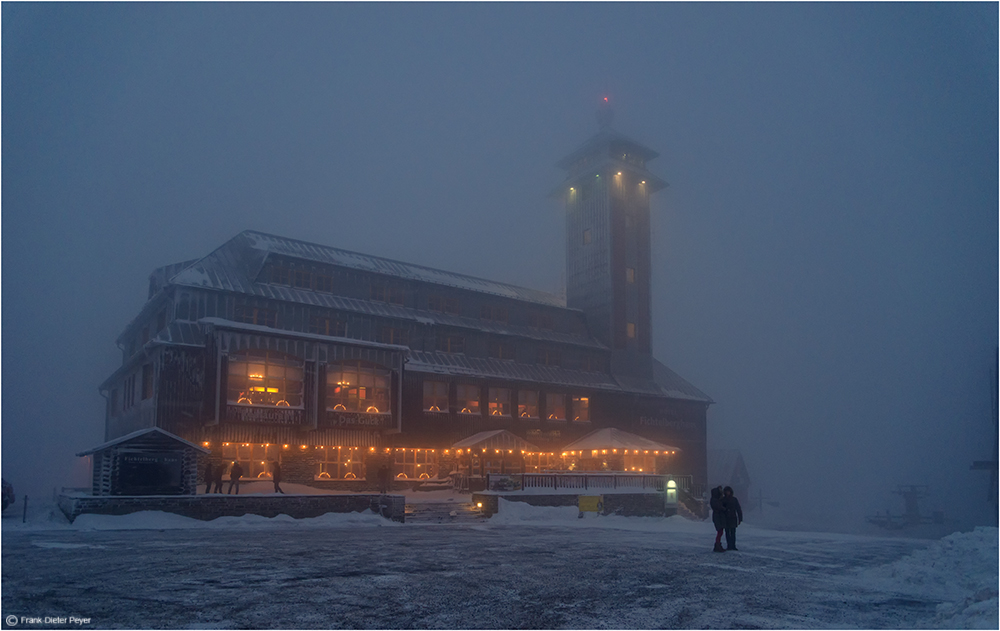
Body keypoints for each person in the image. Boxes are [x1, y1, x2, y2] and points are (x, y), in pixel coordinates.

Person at [722, 486, 743, 551]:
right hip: (726, 518)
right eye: (726, 491)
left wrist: (740, 518)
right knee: (727, 532)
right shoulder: (723, 500)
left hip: (733, 518)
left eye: (728, 491)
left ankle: (733, 545)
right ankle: (729, 545)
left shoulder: (734, 499)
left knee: (733, 532)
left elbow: (738, 509)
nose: (727, 493)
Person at [710, 486, 726, 552]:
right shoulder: (715, 500)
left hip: (719, 516)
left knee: (720, 531)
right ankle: (717, 544)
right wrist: (724, 509)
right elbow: (718, 507)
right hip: (717, 517)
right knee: (720, 531)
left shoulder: (715, 500)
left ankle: (718, 544)